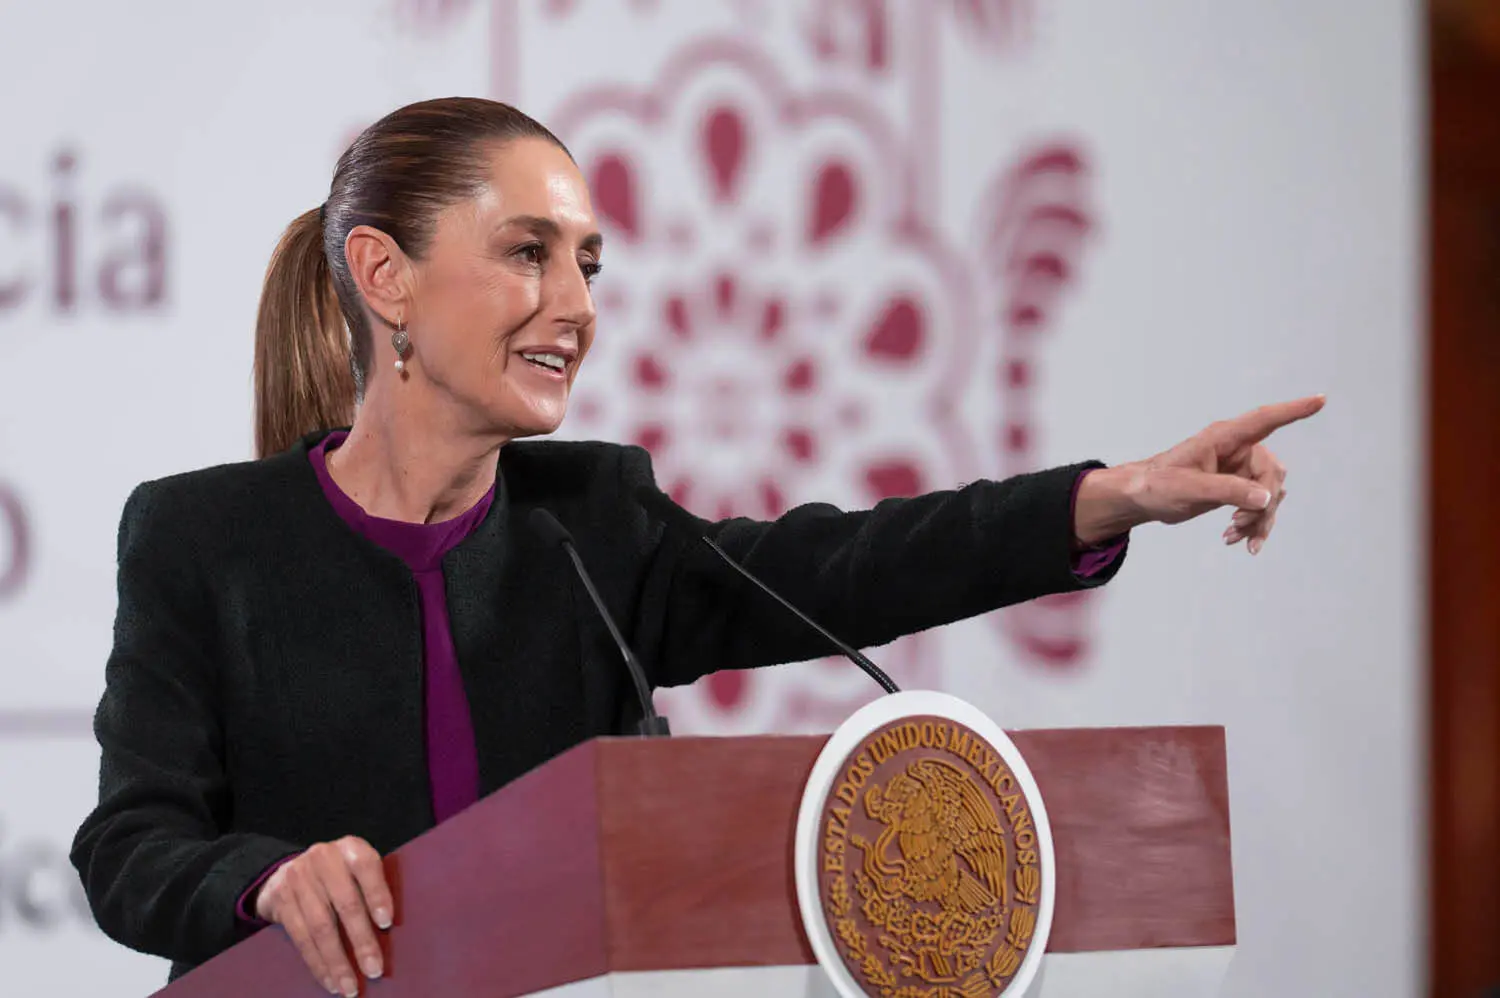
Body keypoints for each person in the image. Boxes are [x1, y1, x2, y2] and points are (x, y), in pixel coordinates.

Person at [69, 97, 1320, 995]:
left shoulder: (594, 523)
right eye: (528, 253)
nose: (579, 304)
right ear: (384, 277)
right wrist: (268, 880)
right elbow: (131, 848)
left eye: (590, 263)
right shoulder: (202, 538)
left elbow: (853, 566)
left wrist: (1111, 497)